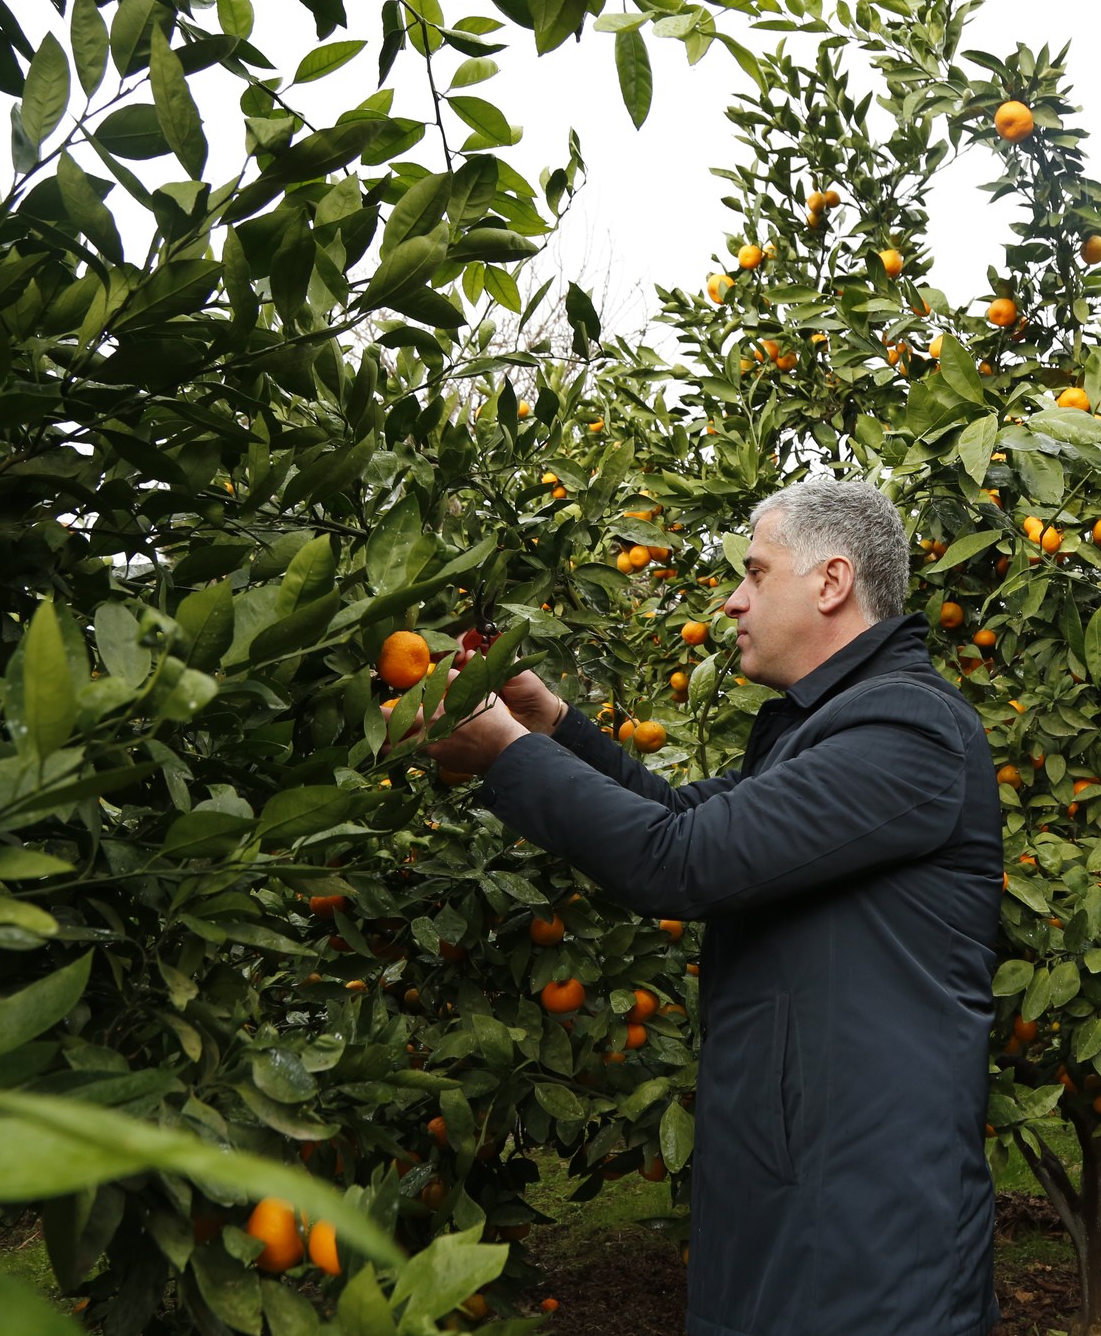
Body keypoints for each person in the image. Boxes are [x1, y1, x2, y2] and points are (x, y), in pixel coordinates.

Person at [424, 479, 1004, 1336]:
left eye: (755, 572)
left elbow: (680, 861)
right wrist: (550, 726)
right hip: (800, 1196)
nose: (732, 600)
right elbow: (680, 816)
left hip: (867, 1230)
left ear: (831, 581)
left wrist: (505, 753)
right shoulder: (825, 729)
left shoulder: (905, 731)